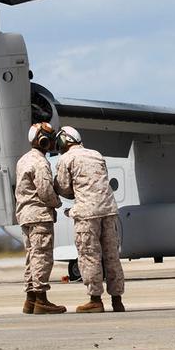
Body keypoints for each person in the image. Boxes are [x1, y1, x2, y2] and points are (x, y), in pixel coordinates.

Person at [54, 126, 126, 313]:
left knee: (89, 256)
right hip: (109, 210)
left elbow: (63, 187)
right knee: (112, 256)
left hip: (87, 213)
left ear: (64, 141)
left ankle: (95, 299)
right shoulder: (96, 154)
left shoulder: (66, 159)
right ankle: (117, 300)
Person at [15, 122, 66, 314]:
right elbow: (45, 191)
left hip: (25, 215)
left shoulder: (23, 159)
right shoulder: (40, 162)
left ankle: (30, 300)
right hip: (39, 215)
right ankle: (42, 301)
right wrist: (57, 203)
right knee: (42, 257)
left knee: (31, 256)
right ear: (43, 141)